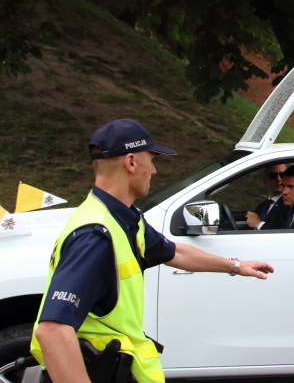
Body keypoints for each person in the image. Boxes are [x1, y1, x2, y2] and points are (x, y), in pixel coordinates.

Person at [30, 119, 274, 383]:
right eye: (151, 160)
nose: (154, 171)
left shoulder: (122, 218)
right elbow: (52, 331)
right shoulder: (96, 235)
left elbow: (174, 253)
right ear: (131, 162)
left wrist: (235, 266)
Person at [246, 163, 288, 230]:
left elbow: (282, 232)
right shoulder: (262, 206)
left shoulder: (289, 206)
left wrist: (258, 224)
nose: (278, 179)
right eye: (273, 176)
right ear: (265, 180)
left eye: (282, 175)